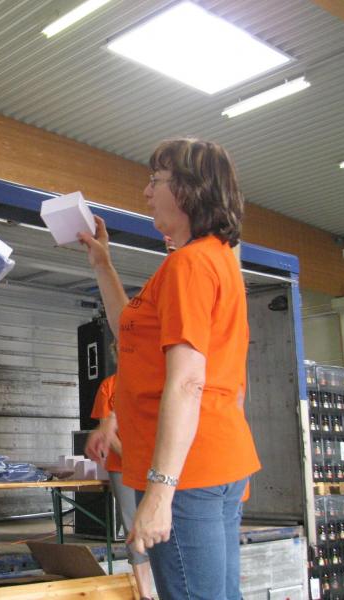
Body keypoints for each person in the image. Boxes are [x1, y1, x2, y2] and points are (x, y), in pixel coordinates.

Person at [78, 138, 261, 600]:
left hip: (186, 472)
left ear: (188, 190)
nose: (146, 192)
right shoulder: (213, 259)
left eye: (155, 181)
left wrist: (160, 492)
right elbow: (129, 329)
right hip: (215, 459)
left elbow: (187, 380)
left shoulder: (189, 265)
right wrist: (103, 263)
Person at [86, 369, 154, 600]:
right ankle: (146, 595)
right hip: (122, 468)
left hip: (159, 466)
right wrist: (134, 460)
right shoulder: (108, 386)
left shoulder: (152, 376)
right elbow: (107, 431)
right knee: (133, 527)